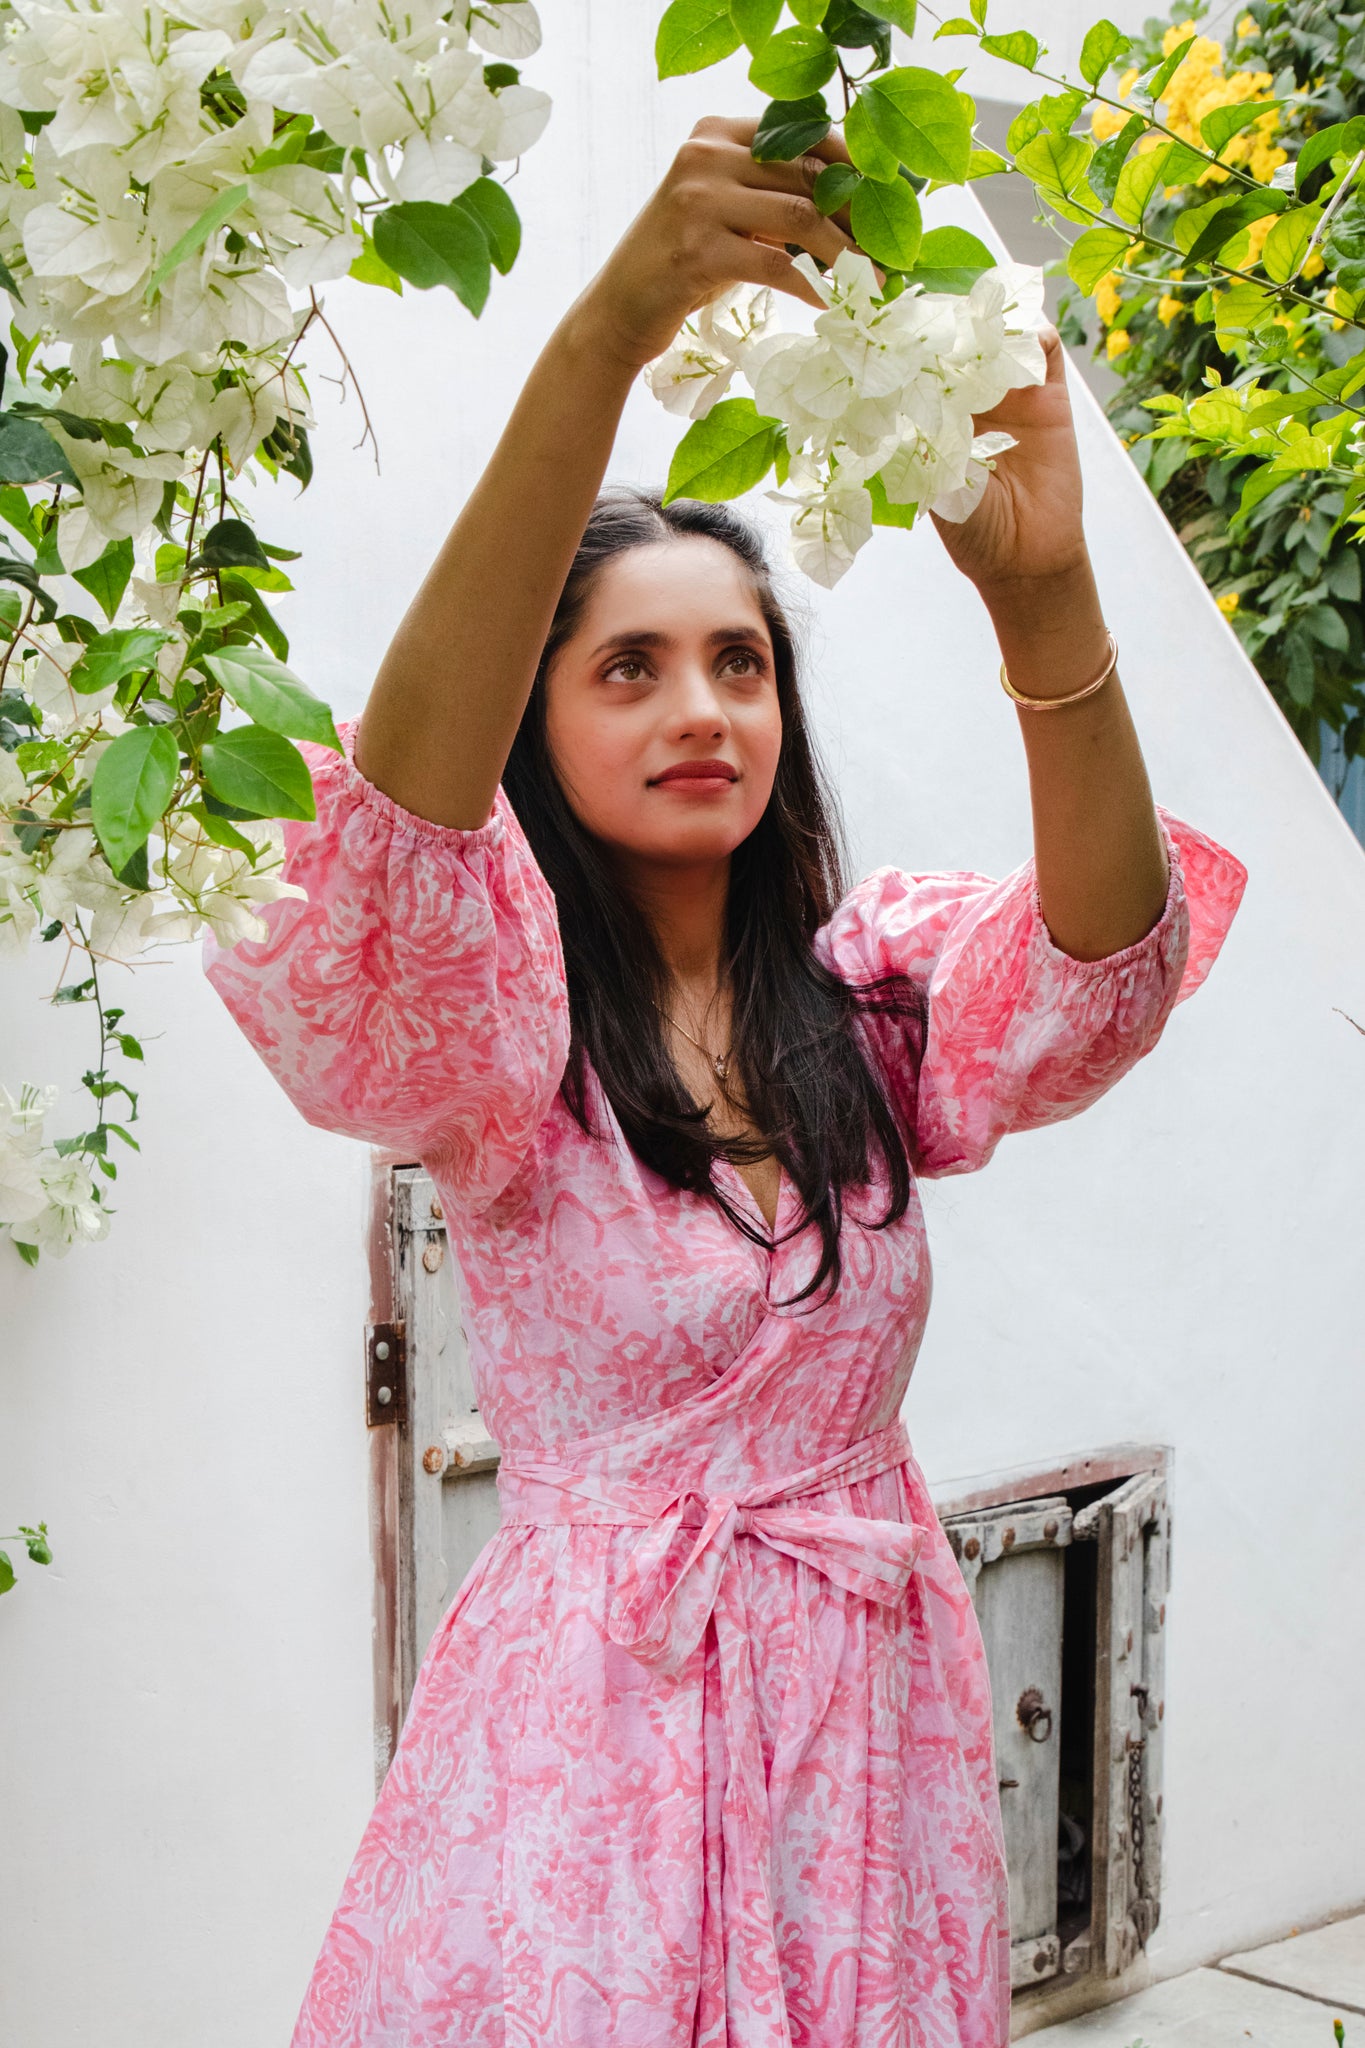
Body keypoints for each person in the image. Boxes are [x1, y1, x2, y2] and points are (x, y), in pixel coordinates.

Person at [203, 114, 1247, 2048]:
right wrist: (606, 331)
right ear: (534, 721)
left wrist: (1044, 596)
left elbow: (1102, 975)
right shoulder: (506, 1041)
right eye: (627, 670)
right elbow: (384, 859)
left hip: (869, 1730)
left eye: (740, 664)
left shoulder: (862, 1000)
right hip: (593, 1743)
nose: (702, 708)